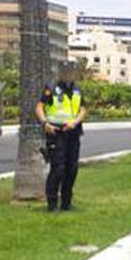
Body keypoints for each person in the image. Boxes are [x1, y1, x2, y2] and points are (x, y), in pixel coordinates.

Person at [36, 62, 86, 212]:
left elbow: (82, 109)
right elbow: (39, 107)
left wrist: (76, 122)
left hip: (73, 133)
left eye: (70, 71)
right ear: (60, 72)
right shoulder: (51, 88)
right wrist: (45, 123)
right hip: (56, 133)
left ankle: (66, 202)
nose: (68, 74)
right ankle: (52, 203)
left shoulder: (76, 90)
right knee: (58, 168)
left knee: (72, 168)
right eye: (65, 71)